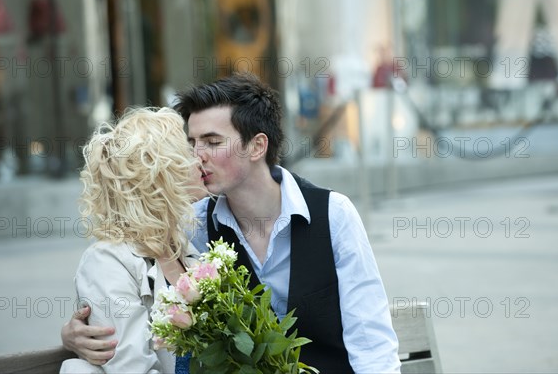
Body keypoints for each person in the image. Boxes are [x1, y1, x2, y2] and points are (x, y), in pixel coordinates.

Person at [62, 73, 401, 373]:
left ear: (257, 146)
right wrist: (73, 335)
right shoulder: (194, 226)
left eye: (211, 142)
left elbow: (371, 342)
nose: (197, 156)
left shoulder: (333, 215)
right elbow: (120, 283)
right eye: (191, 144)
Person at [60, 107, 203, 373]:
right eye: (187, 150)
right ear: (162, 175)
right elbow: (133, 367)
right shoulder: (107, 260)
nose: (198, 159)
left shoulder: (182, 245)